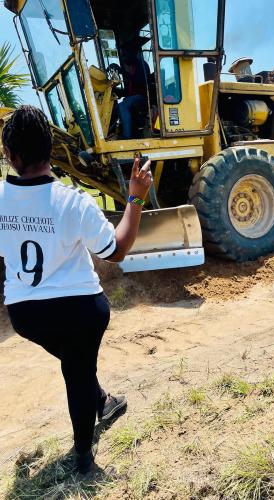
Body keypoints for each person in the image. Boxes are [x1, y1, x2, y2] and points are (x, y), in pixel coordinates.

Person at [0, 105, 152, 474]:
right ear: (51, 150)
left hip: (26, 314)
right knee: (78, 370)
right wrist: (135, 197)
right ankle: (84, 457)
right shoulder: (75, 202)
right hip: (82, 310)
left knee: (77, 366)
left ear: (8, 154)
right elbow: (115, 251)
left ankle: (103, 401)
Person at [118, 46, 151, 139]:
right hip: (134, 97)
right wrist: (115, 90)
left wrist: (123, 72)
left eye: (125, 55)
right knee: (116, 108)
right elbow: (128, 91)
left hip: (142, 97)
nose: (123, 58)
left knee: (123, 105)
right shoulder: (132, 68)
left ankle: (127, 136)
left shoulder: (142, 65)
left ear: (132, 53)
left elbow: (140, 82)